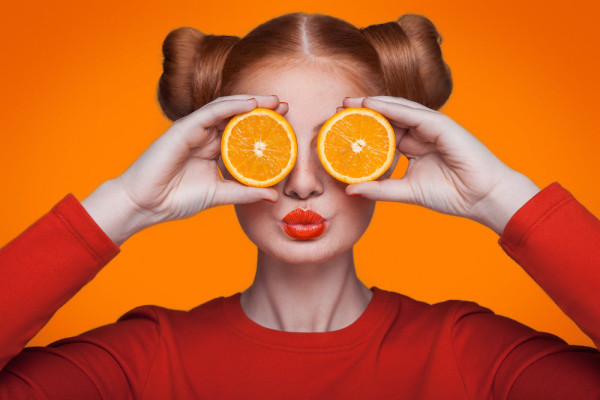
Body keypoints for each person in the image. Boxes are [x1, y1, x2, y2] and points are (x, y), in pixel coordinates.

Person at [1, 11, 599, 399]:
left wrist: (499, 196)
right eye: (267, 146)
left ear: (389, 152)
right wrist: (125, 202)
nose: (304, 184)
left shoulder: (470, 354)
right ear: (221, 153)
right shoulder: (144, 362)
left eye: (341, 147)